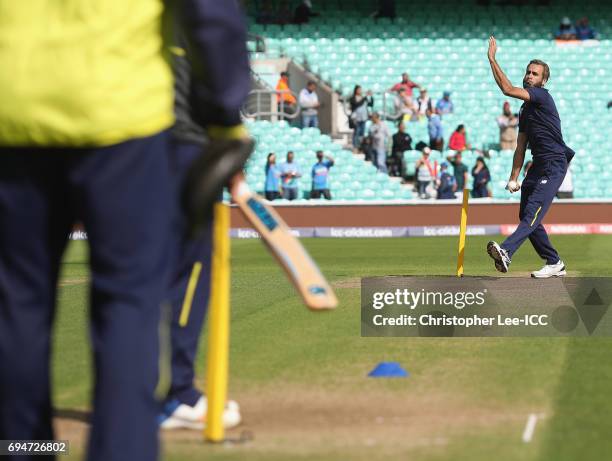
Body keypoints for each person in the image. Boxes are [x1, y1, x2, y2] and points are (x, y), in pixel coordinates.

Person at [0, 1, 251, 460]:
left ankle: (23, 450)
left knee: (18, 307)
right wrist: (223, 112)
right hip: (120, 117)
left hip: (12, 113)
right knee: (127, 305)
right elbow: (209, 12)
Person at [486, 36, 575, 278]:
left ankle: (506, 250)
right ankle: (554, 262)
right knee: (526, 214)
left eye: (534, 74)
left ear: (543, 80)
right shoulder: (525, 109)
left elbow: (506, 89)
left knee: (532, 212)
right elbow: (521, 145)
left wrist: (492, 59)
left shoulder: (542, 96)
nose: (529, 76)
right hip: (536, 166)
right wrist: (514, 177)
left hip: (554, 163)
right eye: (528, 72)